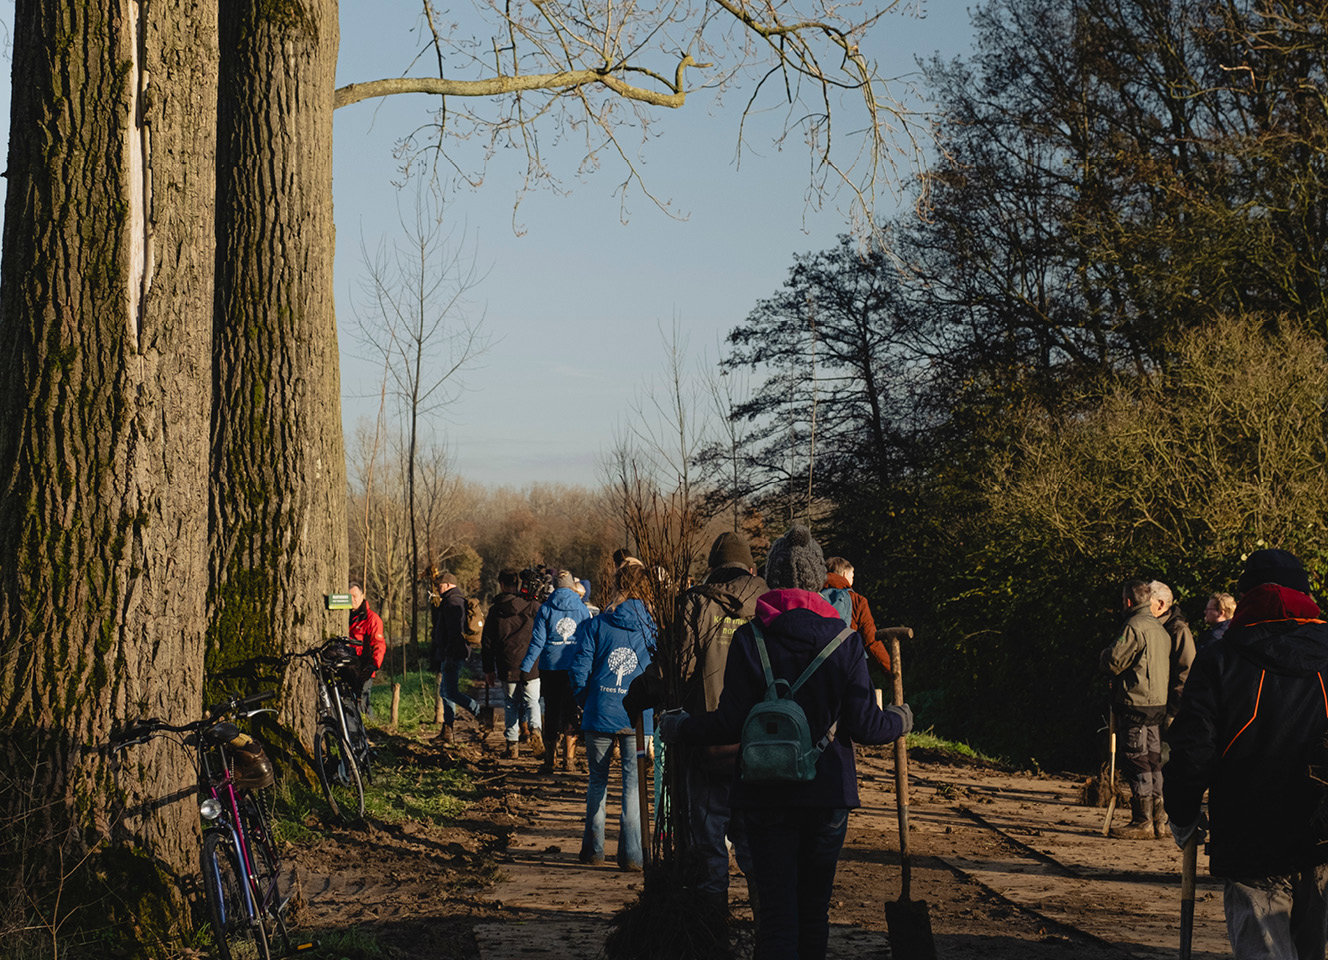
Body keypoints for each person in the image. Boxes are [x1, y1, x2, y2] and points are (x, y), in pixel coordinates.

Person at [659, 523, 911, 960]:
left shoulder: (749, 639)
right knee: (813, 915)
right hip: (826, 797)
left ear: (772, 579)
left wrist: (682, 728)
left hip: (763, 797)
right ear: (818, 581)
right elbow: (868, 727)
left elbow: (729, 723)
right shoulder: (846, 643)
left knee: (776, 918)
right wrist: (900, 719)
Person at [1164, 549, 1328, 960]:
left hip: (1251, 833)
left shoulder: (1220, 657)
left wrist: (1182, 813)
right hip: (1322, 833)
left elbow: (1192, 749)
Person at [670, 531, 768, 908]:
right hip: (761, 744)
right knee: (755, 842)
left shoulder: (695, 604)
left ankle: (713, 929)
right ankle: (767, 928)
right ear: (751, 568)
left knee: (709, 839)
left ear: (712, 569)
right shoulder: (770, 604)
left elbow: (680, 668)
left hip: (707, 738)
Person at [568, 562, 656, 870]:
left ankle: (593, 849)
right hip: (639, 720)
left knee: (597, 781)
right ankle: (632, 854)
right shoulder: (652, 630)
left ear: (618, 586)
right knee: (633, 786)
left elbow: (579, 670)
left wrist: (587, 699)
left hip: (599, 713)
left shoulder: (596, 625)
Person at [1099, 578, 1170, 839]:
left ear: (1129, 601)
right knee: (1153, 760)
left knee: (1137, 760)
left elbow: (1115, 661)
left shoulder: (1134, 626)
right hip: (1157, 703)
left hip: (1137, 703)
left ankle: (1143, 820)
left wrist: (1104, 655)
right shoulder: (1159, 627)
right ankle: (1159, 819)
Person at [520, 569, 593, 772]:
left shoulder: (546, 609)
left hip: (550, 667)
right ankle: (569, 760)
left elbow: (537, 641)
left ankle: (549, 761)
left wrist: (526, 666)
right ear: (571, 586)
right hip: (574, 666)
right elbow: (587, 639)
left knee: (551, 710)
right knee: (571, 711)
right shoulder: (582, 609)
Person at [482, 569, 543, 760]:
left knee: (511, 704)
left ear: (501, 584)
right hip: (531, 663)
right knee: (533, 701)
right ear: (517, 584)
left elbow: (487, 643)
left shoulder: (495, 610)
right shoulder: (532, 606)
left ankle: (512, 745)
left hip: (507, 663)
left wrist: (488, 669)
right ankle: (535, 729)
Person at [820, 556, 891, 684]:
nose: (853, 580)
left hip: (817, 668)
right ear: (844, 574)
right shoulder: (857, 600)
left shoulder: (813, 597)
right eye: (852, 576)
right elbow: (872, 641)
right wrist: (891, 670)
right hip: (849, 668)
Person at [429, 569, 478, 744]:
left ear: (448, 584)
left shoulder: (452, 603)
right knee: (446, 692)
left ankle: (479, 712)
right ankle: (447, 731)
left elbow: (454, 633)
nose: (437, 588)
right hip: (451, 653)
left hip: (452, 654)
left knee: (450, 692)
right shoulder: (453, 601)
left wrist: (449, 655)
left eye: (440, 585)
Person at [1150, 580, 1196, 728]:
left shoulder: (1178, 630)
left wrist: (1174, 712)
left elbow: (1186, 672)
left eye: (1147, 603)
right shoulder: (1150, 628)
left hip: (1169, 712)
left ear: (1161, 604)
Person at [347, 581, 387, 717]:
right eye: (349, 596)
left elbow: (379, 645)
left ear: (362, 595)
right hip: (347, 668)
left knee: (363, 702)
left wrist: (373, 665)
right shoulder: (345, 616)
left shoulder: (372, 619)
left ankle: (369, 730)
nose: (352, 600)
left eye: (355, 596)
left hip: (364, 668)